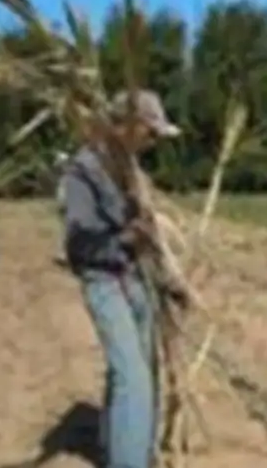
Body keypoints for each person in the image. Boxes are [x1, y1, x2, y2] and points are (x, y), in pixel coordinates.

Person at [60, 88, 181, 468]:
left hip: (138, 278)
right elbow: (78, 245)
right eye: (151, 132)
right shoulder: (83, 170)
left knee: (140, 370)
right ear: (129, 126)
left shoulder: (131, 170)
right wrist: (127, 237)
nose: (153, 142)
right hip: (105, 280)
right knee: (133, 377)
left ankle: (122, 447)